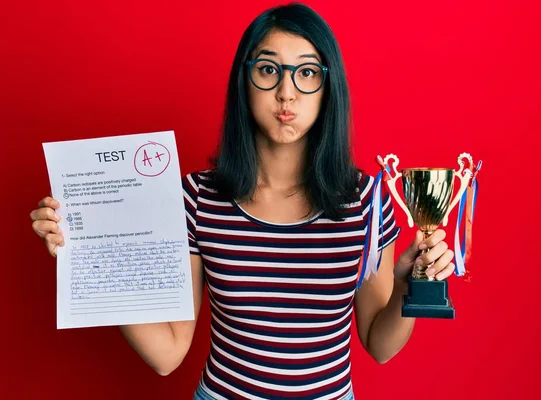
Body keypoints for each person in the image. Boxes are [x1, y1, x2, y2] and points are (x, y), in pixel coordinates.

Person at [30, 3, 456, 399]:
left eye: (306, 73)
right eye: (269, 70)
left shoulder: (366, 200)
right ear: (245, 80)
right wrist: (87, 259)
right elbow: (168, 353)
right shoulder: (196, 199)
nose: (286, 93)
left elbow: (379, 346)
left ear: (329, 87)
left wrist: (408, 285)